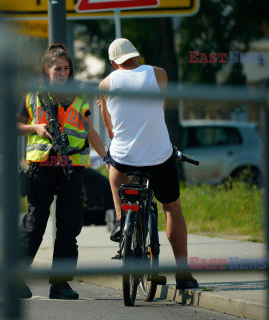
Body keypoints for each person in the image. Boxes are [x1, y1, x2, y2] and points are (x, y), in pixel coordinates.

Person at [97, 38, 198, 289]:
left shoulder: (105, 84)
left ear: (113, 63)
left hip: (124, 158)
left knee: (114, 172)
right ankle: (183, 275)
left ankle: (121, 220)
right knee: (171, 208)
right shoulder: (159, 74)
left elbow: (109, 129)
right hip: (158, 156)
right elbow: (160, 109)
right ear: (136, 55)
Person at [16, 43, 107, 299]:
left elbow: (89, 129)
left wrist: (107, 157)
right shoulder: (32, 94)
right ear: (47, 70)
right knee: (34, 225)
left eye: (67, 68)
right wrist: (35, 128)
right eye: (58, 68)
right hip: (42, 168)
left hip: (72, 169)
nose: (63, 73)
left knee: (69, 228)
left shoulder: (78, 96)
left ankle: (60, 284)